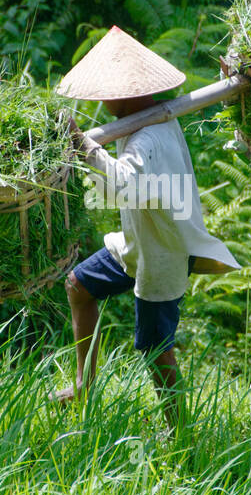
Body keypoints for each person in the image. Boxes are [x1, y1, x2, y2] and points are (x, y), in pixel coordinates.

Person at [54, 26, 240, 428]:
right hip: (137, 242)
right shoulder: (140, 123)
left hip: (163, 253)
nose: (102, 101)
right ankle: (84, 386)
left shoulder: (148, 137)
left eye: (107, 93)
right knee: (78, 286)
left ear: (127, 94)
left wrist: (84, 145)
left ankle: (180, 431)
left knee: (155, 348)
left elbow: (123, 185)